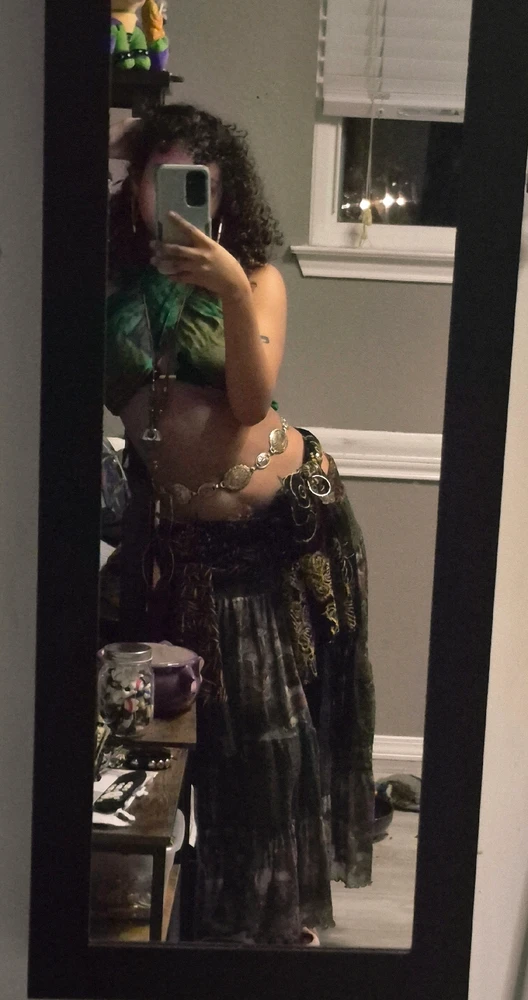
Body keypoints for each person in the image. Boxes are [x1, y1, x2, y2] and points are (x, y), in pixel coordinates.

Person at [101, 103, 375, 946]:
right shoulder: (105, 279)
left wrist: (224, 285)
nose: (176, 198)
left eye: (199, 185)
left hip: (278, 531)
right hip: (178, 538)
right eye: (161, 178)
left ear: (225, 197)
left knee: (265, 737)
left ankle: (272, 930)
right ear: (136, 186)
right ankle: (174, 918)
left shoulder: (258, 279)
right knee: (169, 731)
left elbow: (252, 402)